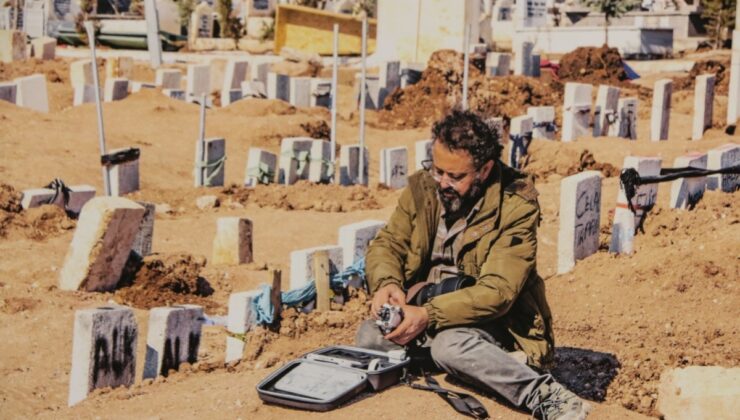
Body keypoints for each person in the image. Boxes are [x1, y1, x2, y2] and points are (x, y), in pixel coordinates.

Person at [355, 109, 591, 419]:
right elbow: (389, 243)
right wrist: (387, 282)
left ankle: (543, 395)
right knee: (370, 335)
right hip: (428, 306)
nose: (443, 182)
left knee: (451, 347)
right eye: (437, 170)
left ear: (484, 169)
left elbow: (497, 292)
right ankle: (467, 363)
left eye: (455, 176)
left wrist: (427, 315)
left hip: (497, 322)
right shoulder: (423, 188)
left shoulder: (515, 205)